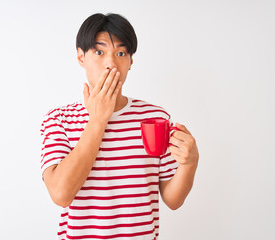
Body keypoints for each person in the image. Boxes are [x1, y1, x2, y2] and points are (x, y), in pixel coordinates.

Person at [40, 13, 199, 240]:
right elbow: (60, 194)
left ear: (131, 61)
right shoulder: (59, 119)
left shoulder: (155, 117)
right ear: (80, 57)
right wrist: (97, 119)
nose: (111, 63)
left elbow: (173, 200)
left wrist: (190, 163)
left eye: (121, 53)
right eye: (99, 52)